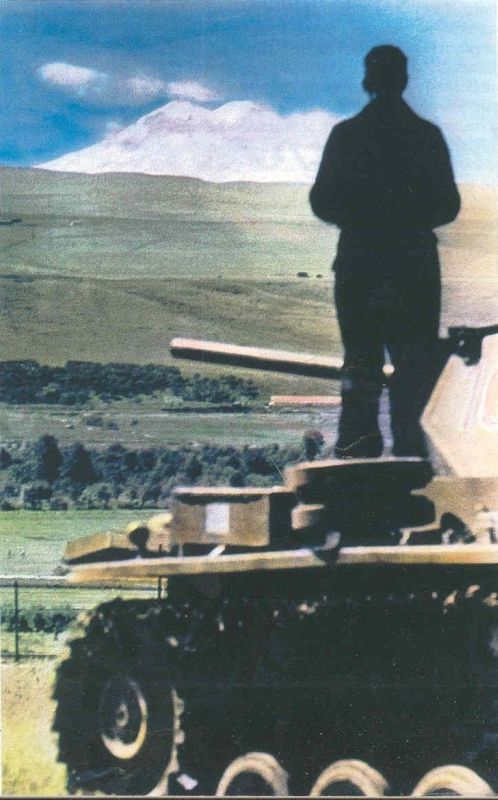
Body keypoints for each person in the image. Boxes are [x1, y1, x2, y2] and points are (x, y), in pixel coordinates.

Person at [310, 45, 460, 458]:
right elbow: (448, 205)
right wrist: (407, 217)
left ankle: (359, 450)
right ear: (404, 79)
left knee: (360, 360)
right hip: (414, 270)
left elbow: (322, 202)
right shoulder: (425, 137)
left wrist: (363, 217)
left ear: (368, 80)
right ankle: (411, 451)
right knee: (414, 365)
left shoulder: (346, 136)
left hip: (360, 266)